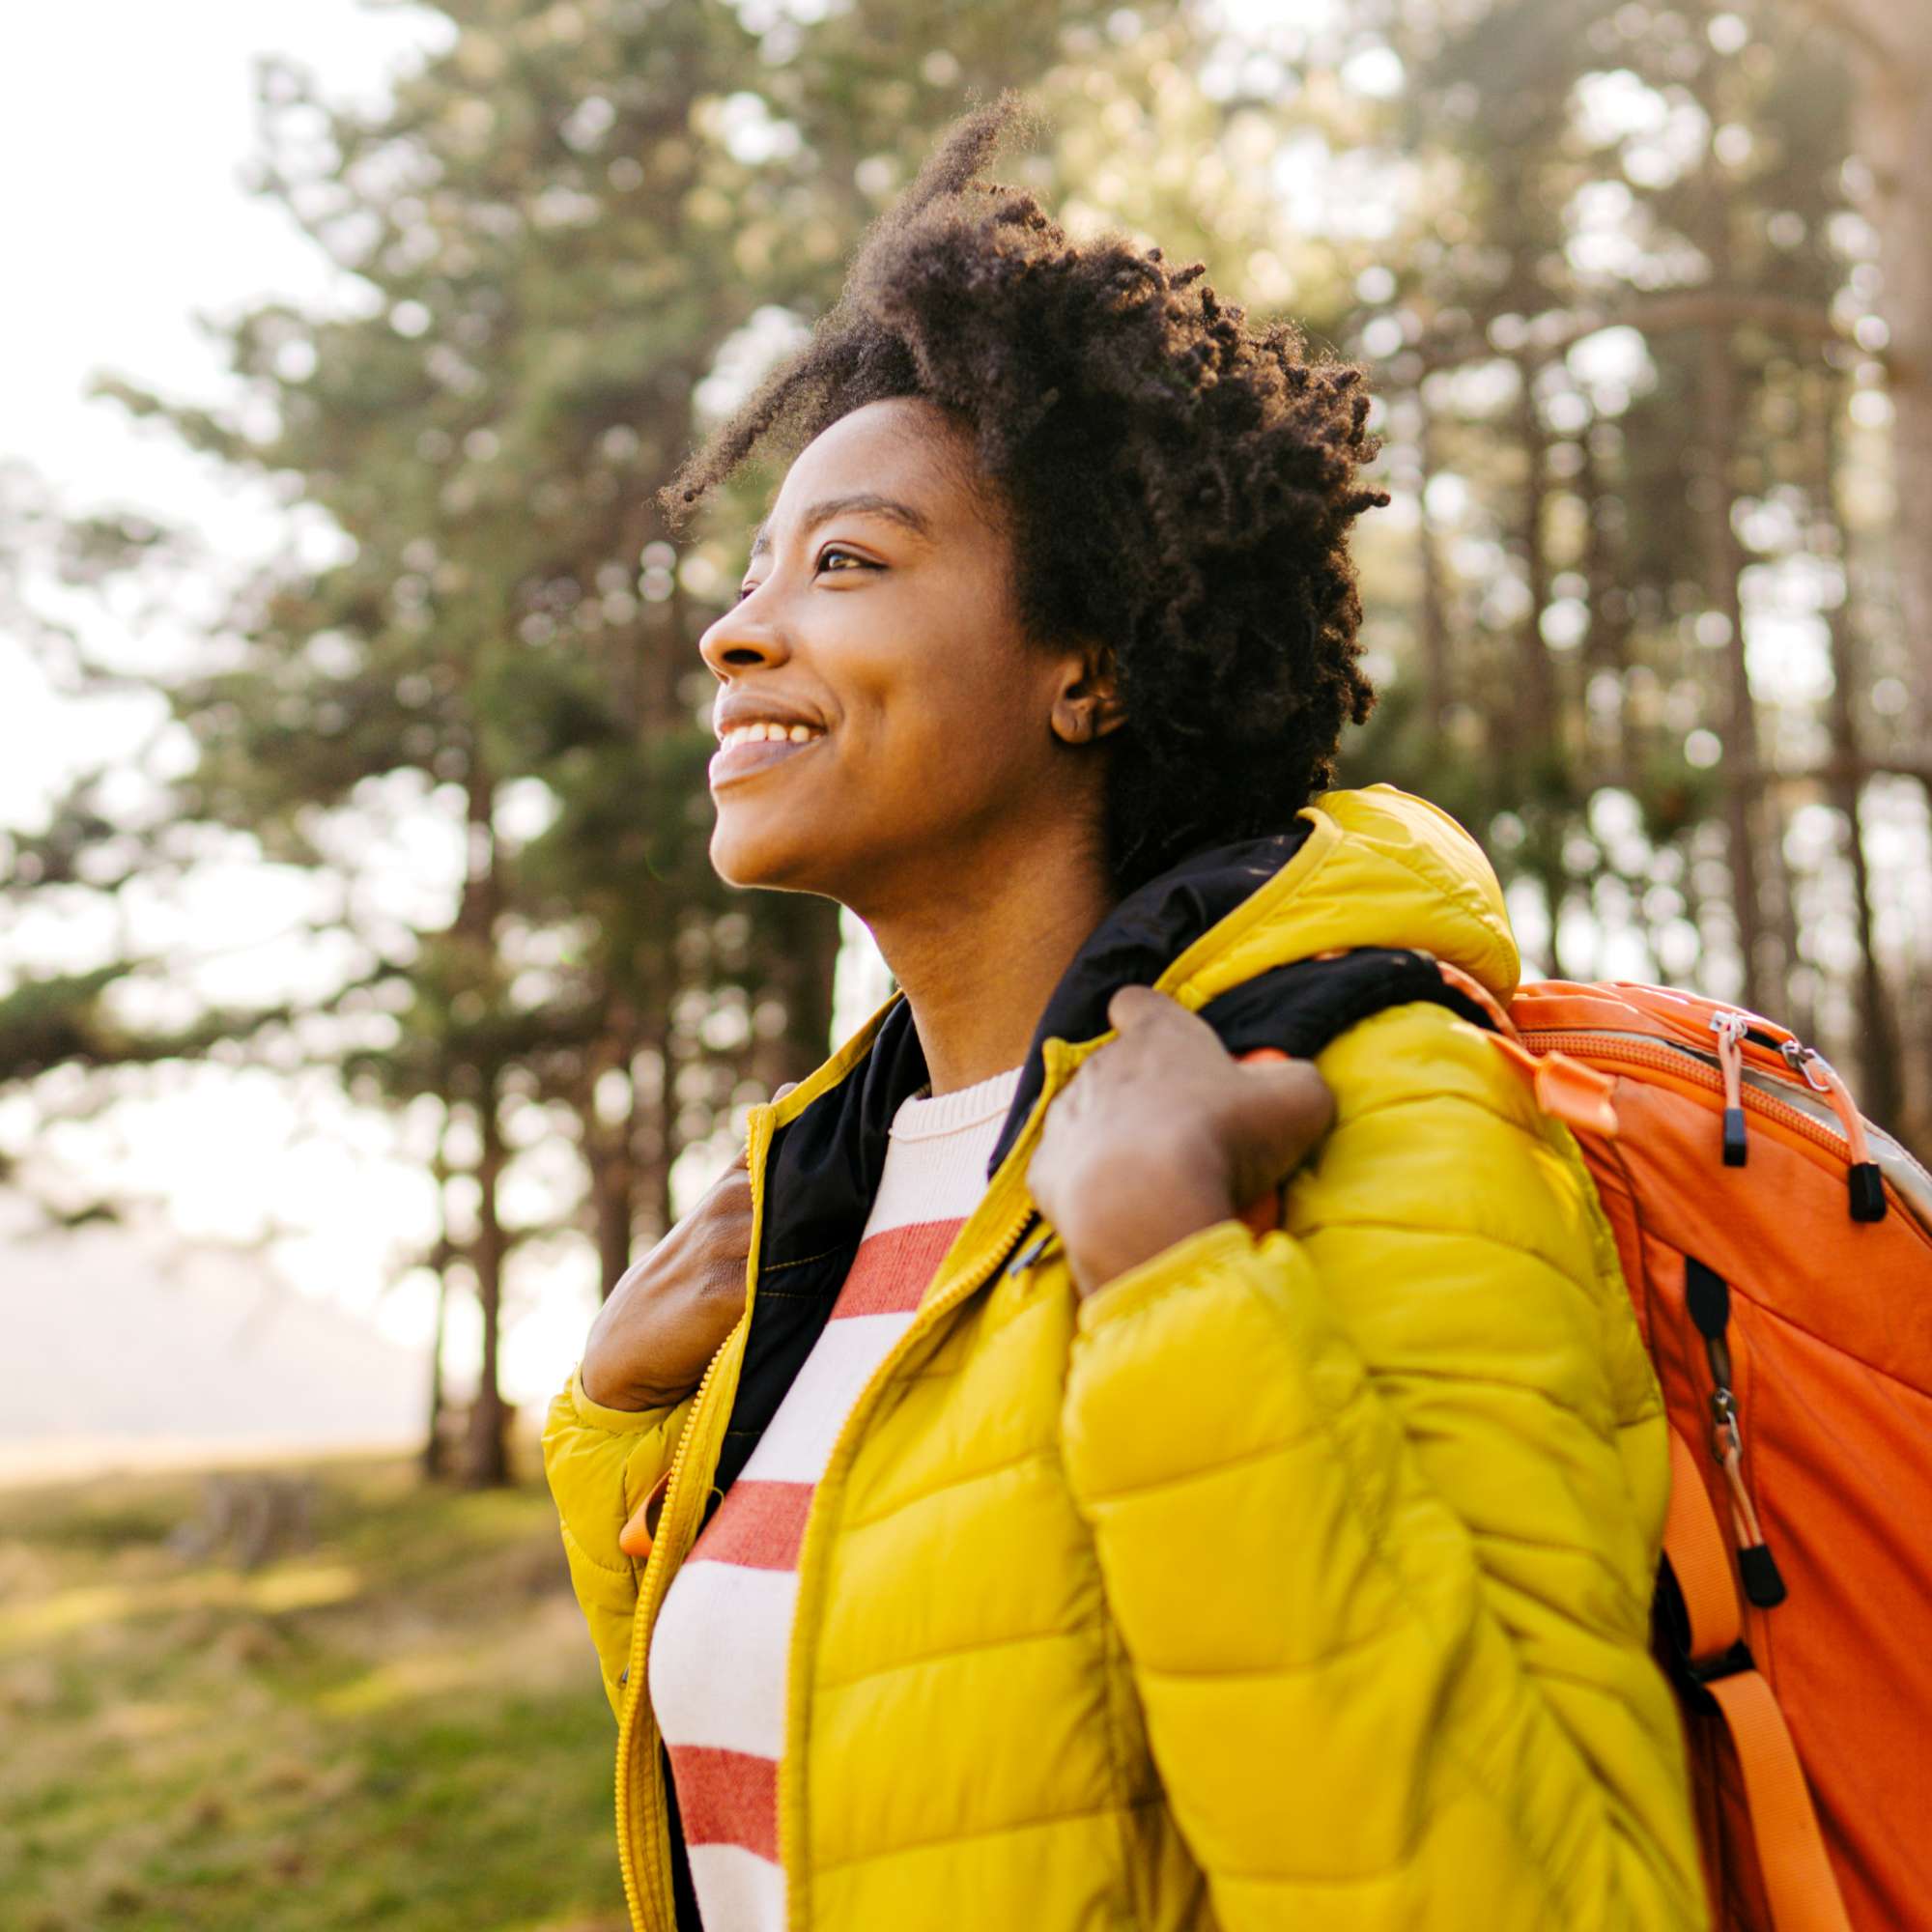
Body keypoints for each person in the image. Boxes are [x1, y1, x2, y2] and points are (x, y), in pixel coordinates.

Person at [543, 98, 1706, 1932]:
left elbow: (1534, 1894)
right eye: (753, 571)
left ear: (1090, 665)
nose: (735, 633)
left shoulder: (1356, 1106)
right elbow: (853, 1806)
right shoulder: (825, 1204)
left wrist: (1176, 1291)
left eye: (842, 563)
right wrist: (621, 1426)